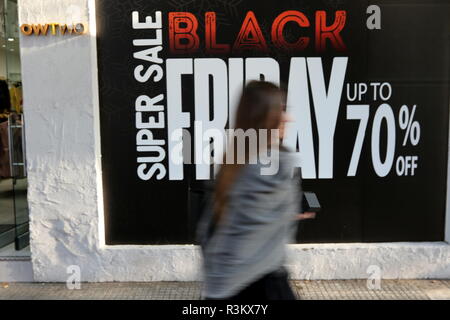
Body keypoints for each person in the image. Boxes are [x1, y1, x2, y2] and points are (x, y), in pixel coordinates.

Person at [196, 80, 316, 300]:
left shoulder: (231, 163)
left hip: (221, 284)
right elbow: (264, 216)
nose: (287, 117)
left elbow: (209, 230)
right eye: (281, 110)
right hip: (264, 284)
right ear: (267, 117)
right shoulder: (280, 162)